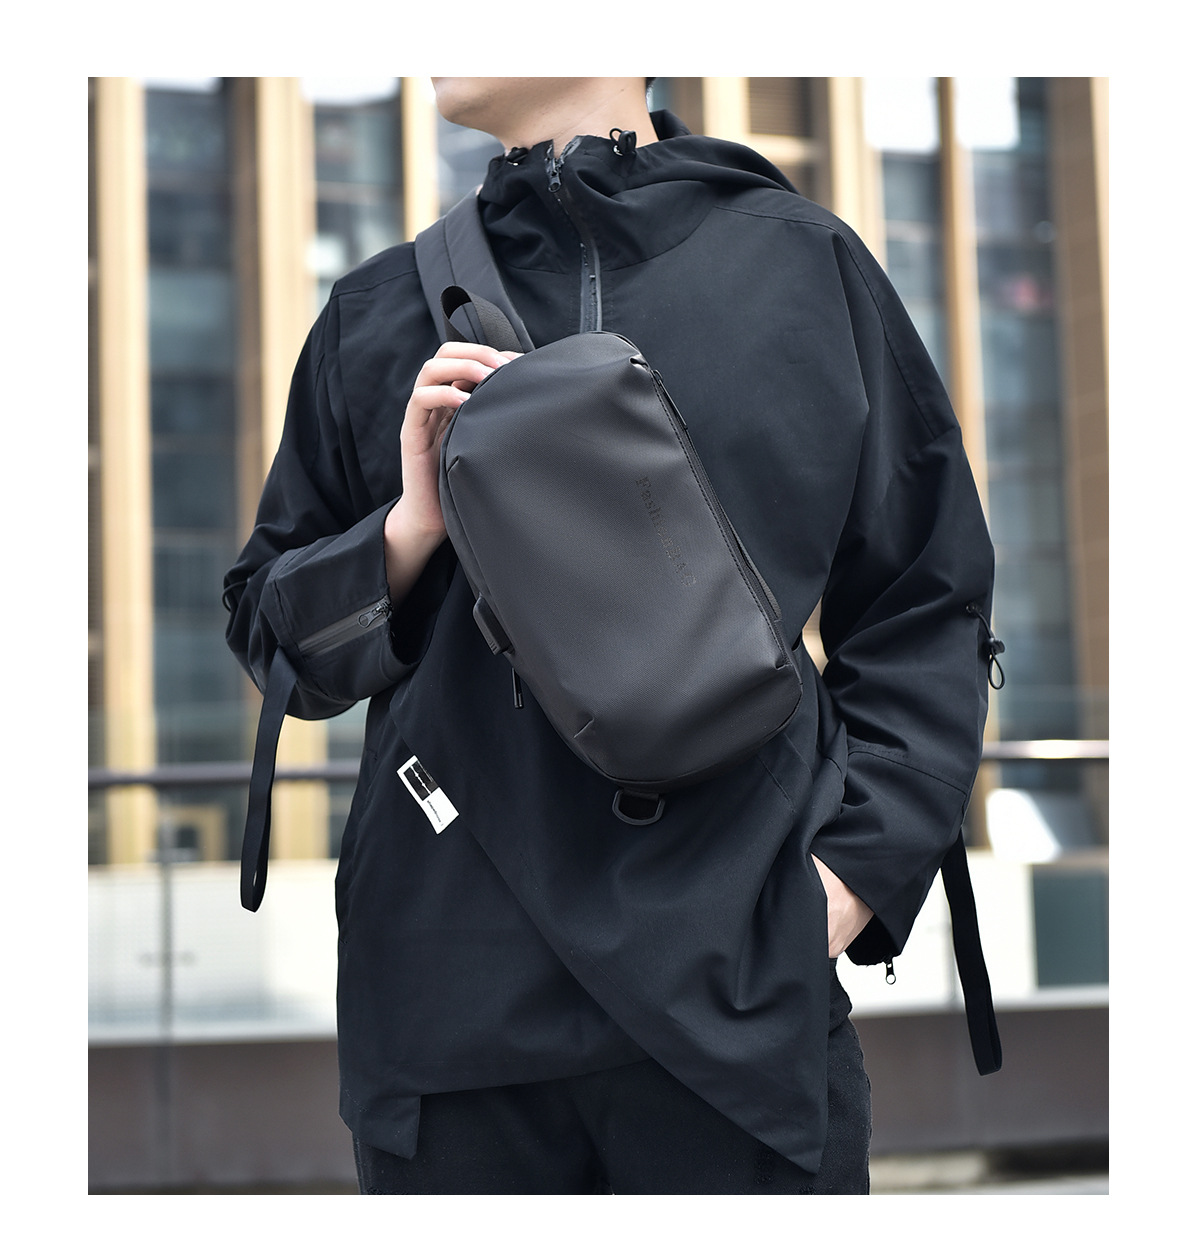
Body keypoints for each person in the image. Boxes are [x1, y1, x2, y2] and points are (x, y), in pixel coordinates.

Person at [223, 77, 997, 1194]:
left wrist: (844, 885)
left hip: (737, 1008)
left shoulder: (801, 265)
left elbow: (928, 598)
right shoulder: (376, 311)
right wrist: (406, 528)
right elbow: (274, 638)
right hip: (447, 1025)